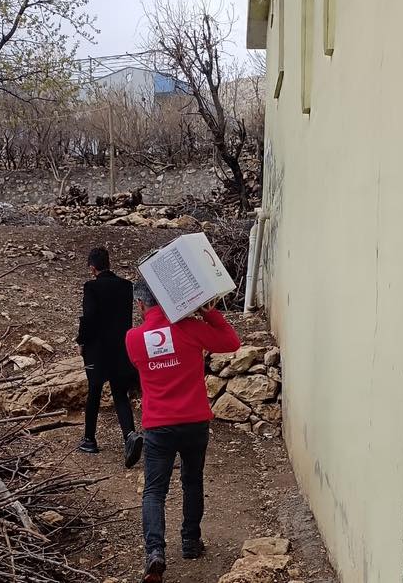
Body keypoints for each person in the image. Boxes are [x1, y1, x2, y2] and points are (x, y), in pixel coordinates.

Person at [126, 280, 241, 583]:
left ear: (141, 305)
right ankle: (190, 542)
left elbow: (143, 366)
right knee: (192, 480)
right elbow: (231, 343)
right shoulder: (189, 327)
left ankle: (155, 553)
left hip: (158, 425)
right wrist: (210, 315)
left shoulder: (134, 338)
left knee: (154, 491)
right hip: (194, 421)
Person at [76, 247, 143, 468]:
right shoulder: (126, 287)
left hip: (98, 349)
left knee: (94, 393)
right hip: (122, 348)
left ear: (92, 268)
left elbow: (89, 318)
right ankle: (129, 437)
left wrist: (81, 342)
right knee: (120, 394)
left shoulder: (91, 287)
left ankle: (89, 439)